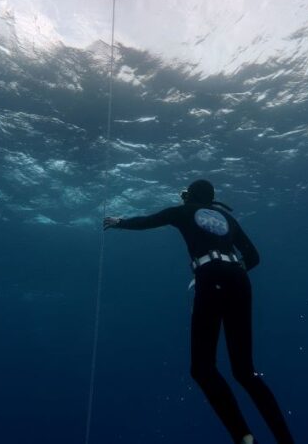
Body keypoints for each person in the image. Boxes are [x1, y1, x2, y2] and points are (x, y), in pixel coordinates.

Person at [104, 179, 295, 444]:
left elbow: (148, 221)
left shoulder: (182, 211)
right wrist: (230, 269)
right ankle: (286, 439)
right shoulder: (228, 218)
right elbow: (254, 257)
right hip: (239, 280)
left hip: (210, 276)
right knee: (245, 371)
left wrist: (119, 222)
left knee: (203, 369)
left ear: (189, 197)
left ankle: (245, 438)